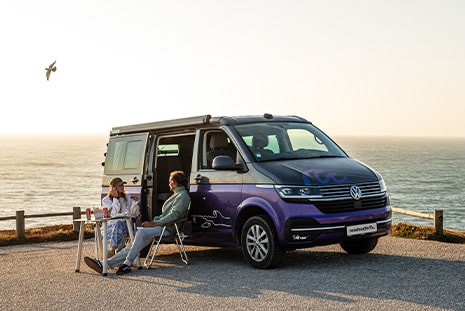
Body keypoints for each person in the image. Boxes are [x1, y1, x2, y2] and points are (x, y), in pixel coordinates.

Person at [84, 170, 190, 275]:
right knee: (132, 245)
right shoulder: (178, 195)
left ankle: (126, 264)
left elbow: (174, 216)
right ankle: (104, 264)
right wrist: (153, 222)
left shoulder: (182, 196)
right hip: (162, 226)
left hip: (168, 228)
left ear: (176, 183)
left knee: (140, 233)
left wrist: (154, 224)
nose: (169, 183)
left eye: (170, 181)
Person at [102, 177, 139, 255]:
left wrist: (134, 204)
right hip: (110, 228)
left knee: (120, 225)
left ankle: (112, 251)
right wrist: (115, 198)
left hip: (125, 226)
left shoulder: (126, 198)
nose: (122, 187)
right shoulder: (106, 200)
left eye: (123, 185)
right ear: (114, 188)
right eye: (120, 186)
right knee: (119, 226)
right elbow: (114, 213)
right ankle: (117, 254)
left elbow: (132, 214)